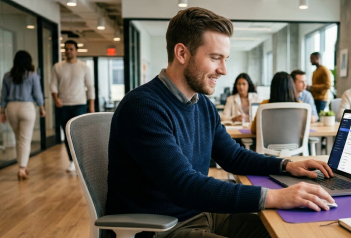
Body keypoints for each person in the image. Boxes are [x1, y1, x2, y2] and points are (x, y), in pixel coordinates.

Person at [106, 7, 335, 238]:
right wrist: (273, 197)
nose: (224, 70)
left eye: (225, 59)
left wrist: (285, 165)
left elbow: (233, 156)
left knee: (287, 234)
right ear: (182, 53)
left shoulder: (202, 104)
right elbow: (182, 185)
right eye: (215, 58)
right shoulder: (143, 107)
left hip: (201, 213)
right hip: (161, 228)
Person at [0, 50, 46, 180]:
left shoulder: (7, 76)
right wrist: (42, 107)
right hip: (27, 107)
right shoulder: (32, 76)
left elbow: (3, 96)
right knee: (25, 139)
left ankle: (22, 166)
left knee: (18, 139)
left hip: (11, 108)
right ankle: (22, 169)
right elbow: (38, 94)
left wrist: (2, 112)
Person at [50, 40, 95, 172]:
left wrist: (91, 105)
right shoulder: (57, 67)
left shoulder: (84, 67)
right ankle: (71, 161)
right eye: (66, 49)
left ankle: (80, 162)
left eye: (71, 49)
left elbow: (90, 87)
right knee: (67, 134)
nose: (68, 51)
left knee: (78, 134)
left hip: (79, 104)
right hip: (63, 105)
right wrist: (56, 98)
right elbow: (53, 85)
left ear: (76, 51)